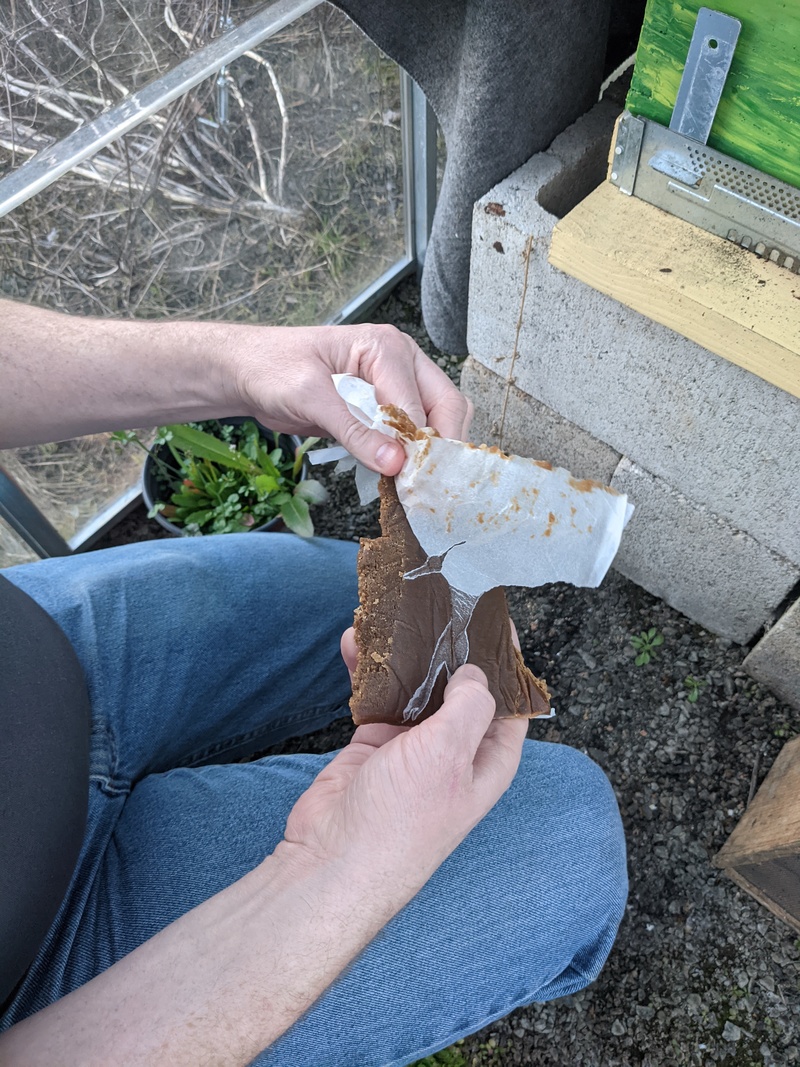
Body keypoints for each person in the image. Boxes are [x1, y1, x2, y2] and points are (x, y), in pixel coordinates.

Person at [0, 298, 627, 1066]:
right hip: (47, 976)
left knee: (356, 595)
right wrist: (333, 870)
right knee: (571, 824)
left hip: (41, 644)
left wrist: (237, 363)